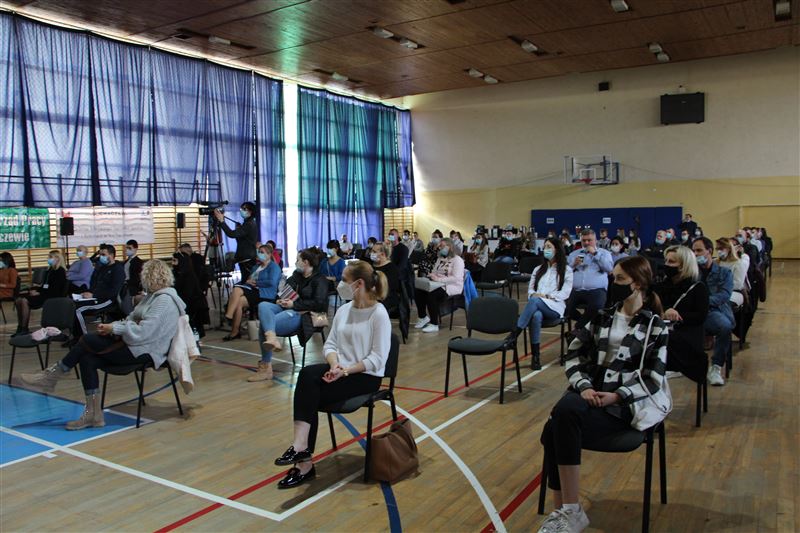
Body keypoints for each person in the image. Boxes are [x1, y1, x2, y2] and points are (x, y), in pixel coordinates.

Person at [537, 256, 668, 533]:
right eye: (613, 278)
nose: (613, 283)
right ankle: (567, 511)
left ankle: (565, 512)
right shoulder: (602, 316)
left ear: (638, 283)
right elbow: (573, 354)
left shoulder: (656, 326)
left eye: (620, 279)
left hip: (623, 405)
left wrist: (617, 395)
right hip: (591, 393)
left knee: (556, 426)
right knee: (561, 415)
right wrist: (584, 386)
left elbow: (653, 378)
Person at [19, 259, 184, 430]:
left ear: (151, 277)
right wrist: (112, 327)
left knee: (87, 339)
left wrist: (114, 328)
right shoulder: (151, 298)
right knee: (87, 359)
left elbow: (144, 332)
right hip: (134, 345)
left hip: (146, 352)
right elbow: (130, 319)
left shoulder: (164, 301)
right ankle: (93, 415)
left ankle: (51, 376)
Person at [273, 261, 390, 488]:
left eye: (344, 280)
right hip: (341, 371)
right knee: (307, 375)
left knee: (309, 395)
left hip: (365, 377)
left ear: (359, 284)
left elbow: (377, 359)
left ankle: (303, 461)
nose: (339, 284)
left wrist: (345, 371)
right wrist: (335, 365)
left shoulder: (379, 314)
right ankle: (300, 449)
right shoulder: (344, 310)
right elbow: (330, 344)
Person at [253, 249, 329, 381]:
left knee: (265, 325)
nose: (295, 262)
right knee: (263, 305)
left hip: (307, 315)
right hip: (288, 308)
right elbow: (284, 291)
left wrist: (294, 304)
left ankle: (266, 366)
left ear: (306, 262)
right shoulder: (296, 276)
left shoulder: (320, 279)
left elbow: (319, 304)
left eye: (297, 260)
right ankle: (271, 337)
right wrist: (279, 299)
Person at [511, 238, 572, 370]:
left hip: (555, 307)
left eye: (549, 247)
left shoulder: (566, 270)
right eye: (544, 247)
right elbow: (531, 290)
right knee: (536, 315)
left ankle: (514, 335)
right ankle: (536, 357)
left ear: (557, 249)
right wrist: (534, 295)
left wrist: (547, 296)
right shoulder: (538, 269)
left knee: (535, 301)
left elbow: (565, 293)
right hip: (537, 305)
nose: (545, 250)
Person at [653, 246, 709, 383]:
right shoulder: (661, 285)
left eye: (672, 262)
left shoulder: (698, 287)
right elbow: (653, 307)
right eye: (666, 261)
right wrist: (665, 311)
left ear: (684, 265)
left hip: (686, 334)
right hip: (663, 331)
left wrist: (677, 315)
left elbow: (700, 316)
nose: (667, 265)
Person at [692, 237, 733, 386]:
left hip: (714, 310)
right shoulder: (691, 272)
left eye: (699, 250)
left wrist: (703, 301)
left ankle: (716, 367)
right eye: (693, 251)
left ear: (709, 251)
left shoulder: (724, 272)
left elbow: (724, 295)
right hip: (694, 310)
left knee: (724, 327)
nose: (695, 254)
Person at [222, 244, 282, 341]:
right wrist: (249, 281)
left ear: (269, 254)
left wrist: (256, 283)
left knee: (237, 289)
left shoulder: (274, 267)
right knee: (239, 302)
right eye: (259, 252)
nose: (259, 254)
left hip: (265, 293)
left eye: (262, 252)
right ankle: (235, 331)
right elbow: (249, 279)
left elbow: (272, 282)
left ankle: (229, 316)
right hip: (253, 290)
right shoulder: (256, 267)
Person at [565, 229, 614, 332]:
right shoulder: (574, 254)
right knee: (565, 308)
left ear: (595, 240)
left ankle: (578, 327)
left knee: (597, 306)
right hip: (576, 290)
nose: (586, 243)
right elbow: (565, 273)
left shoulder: (604, 253)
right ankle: (585, 325)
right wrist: (573, 264)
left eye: (589, 240)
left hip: (597, 290)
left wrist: (595, 254)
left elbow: (609, 269)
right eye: (584, 240)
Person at [74, 245, 125, 340]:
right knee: (72, 305)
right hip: (95, 297)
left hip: (107, 300)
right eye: (100, 254)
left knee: (78, 310)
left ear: (111, 255)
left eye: (103, 255)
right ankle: (75, 336)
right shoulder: (102, 268)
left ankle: (83, 338)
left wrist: (94, 295)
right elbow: (94, 284)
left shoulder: (118, 269)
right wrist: (87, 293)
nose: (101, 257)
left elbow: (114, 291)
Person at [414, 238, 464, 333]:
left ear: (449, 247)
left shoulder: (458, 260)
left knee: (432, 294)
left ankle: (434, 324)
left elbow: (456, 278)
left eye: (442, 246)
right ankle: (423, 317)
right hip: (438, 283)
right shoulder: (440, 258)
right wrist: (431, 275)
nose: (440, 248)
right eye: (439, 246)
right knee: (418, 290)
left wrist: (439, 279)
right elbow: (434, 271)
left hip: (451, 286)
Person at [14, 250, 67, 336]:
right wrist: (36, 290)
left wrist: (39, 293)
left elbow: (54, 289)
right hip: (44, 293)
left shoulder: (60, 271)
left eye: (50, 257)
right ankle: (20, 327)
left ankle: (24, 328)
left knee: (24, 301)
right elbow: (44, 286)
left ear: (57, 259)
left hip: (51, 296)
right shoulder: (49, 270)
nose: (48, 259)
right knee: (18, 300)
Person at [213, 201, 259, 274]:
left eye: (244, 209)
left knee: (247, 279)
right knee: (246, 278)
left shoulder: (249, 224)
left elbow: (231, 234)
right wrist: (239, 229)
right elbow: (242, 239)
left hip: (247, 259)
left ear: (250, 211)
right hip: (246, 257)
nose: (241, 210)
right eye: (241, 208)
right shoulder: (248, 223)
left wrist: (222, 221)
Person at [171, 252, 208, 338]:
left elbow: (187, 295)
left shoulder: (189, 276)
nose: (172, 263)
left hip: (192, 305)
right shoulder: (177, 273)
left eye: (175, 261)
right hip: (185, 302)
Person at [716, 238, 747, 306]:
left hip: (734, 292)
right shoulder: (716, 262)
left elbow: (738, 284)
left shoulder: (738, 264)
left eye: (721, 248)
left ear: (729, 249)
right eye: (717, 249)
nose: (719, 251)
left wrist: (720, 285)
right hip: (718, 291)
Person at [371, 242, 400, 313]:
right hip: (373, 295)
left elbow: (387, 289)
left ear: (383, 254)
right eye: (372, 251)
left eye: (374, 252)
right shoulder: (371, 265)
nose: (371, 253)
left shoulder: (392, 268)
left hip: (386, 298)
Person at [121, 239, 144, 312]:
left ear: (135, 249)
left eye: (129, 248)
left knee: (129, 307)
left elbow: (140, 277)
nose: (127, 250)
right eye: (126, 248)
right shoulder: (126, 261)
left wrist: (141, 289)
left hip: (133, 288)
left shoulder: (139, 262)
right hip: (125, 287)